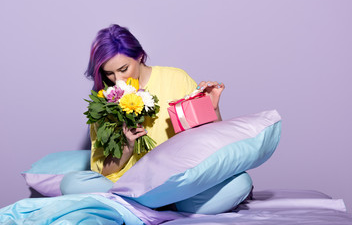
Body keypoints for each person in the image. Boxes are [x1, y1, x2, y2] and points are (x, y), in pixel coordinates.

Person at [60, 24, 252, 214]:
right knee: (70, 183)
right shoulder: (105, 99)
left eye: (123, 69)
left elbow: (212, 142)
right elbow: (103, 170)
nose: (117, 80)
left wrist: (213, 108)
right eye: (109, 73)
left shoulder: (176, 78)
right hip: (130, 186)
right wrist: (127, 146)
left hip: (175, 182)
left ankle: (146, 206)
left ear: (140, 56)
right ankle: (153, 205)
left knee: (241, 182)